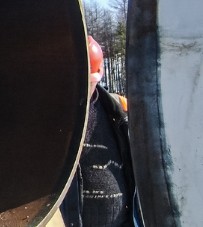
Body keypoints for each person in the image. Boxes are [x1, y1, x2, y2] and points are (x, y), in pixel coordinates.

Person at [59, 36, 142, 227]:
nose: (80, 91)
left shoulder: (120, 109)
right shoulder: (50, 120)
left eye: (86, 84)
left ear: (98, 75)